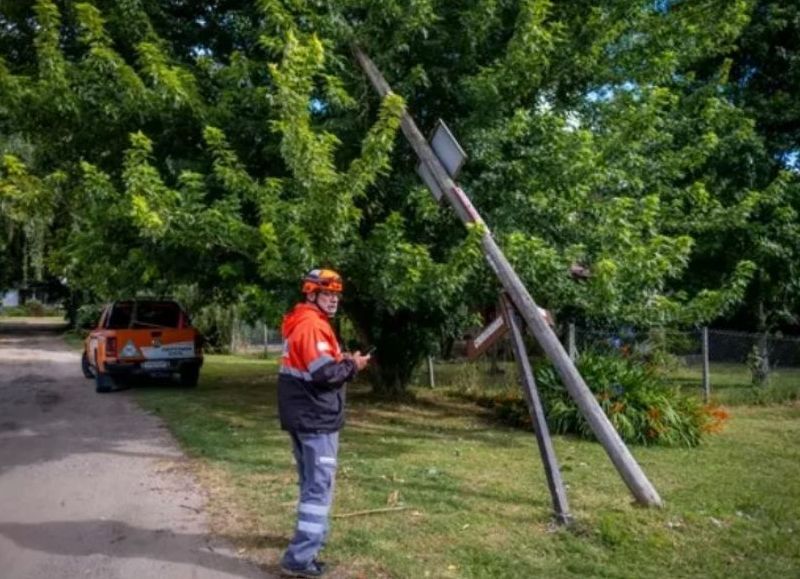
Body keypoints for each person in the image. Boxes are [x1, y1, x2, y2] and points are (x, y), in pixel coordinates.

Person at [278, 268, 371, 578]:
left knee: (311, 484)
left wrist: (343, 359)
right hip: (316, 418)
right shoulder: (313, 326)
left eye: (336, 295)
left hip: (304, 416)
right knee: (318, 489)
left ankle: (311, 540)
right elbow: (325, 375)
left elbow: (318, 365)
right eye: (327, 294)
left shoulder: (302, 322)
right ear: (311, 293)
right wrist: (354, 365)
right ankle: (299, 559)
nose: (333, 300)